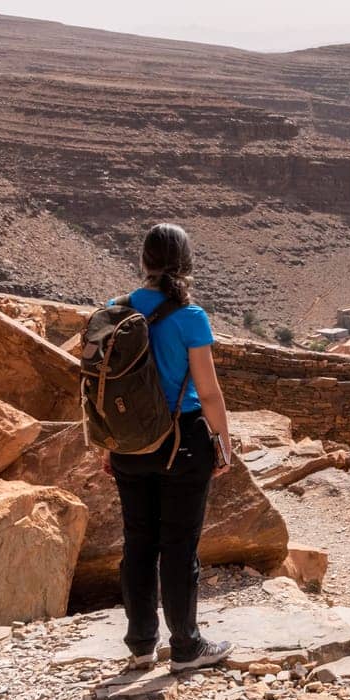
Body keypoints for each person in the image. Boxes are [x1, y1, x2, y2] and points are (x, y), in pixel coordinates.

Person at [105, 223, 233, 671]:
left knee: (138, 542)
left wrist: (108, 441)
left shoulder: (116, 310)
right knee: (179, 546)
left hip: (128, 444)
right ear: (186, 263)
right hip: (184, 442)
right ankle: (186, 646)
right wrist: (224, 442)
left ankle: (141, 645)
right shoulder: (190, 316)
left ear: (145, 262)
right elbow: (210, 391)